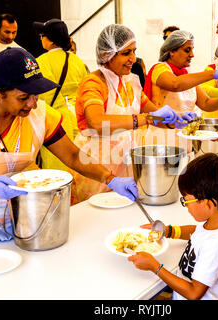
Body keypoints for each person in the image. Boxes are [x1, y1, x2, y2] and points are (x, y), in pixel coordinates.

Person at [0, 47, 138, 262]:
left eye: (36, 95)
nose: (32, 103)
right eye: (23, 97)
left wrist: (110, 179)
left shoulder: (38, 114)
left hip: (17, 218)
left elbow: (73, 156)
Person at [72, 24, 193, 205]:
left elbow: (153, 114)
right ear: (108, 54)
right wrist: (147, 119)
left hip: (125, 162)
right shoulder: (94, 83)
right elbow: (97, 123)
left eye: (134, 51)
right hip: (96, 165)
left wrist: (175, 120)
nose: (133, 59)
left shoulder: (130, 83)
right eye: (126, 53)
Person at [128, 153, 218, 300]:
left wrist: (154, 266)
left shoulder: (216, 246)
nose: (185, 207)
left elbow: (194, 293)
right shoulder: (212, 225)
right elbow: (195, 231)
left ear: (208, 203)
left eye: (186, 201)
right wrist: (169, 231)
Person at [144, 30, 218, 151]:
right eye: (187, 50)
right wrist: (212, 74)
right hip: (161, 139)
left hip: (184, 138)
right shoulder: (159, 69)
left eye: (192, 49)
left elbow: (206, 103)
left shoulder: (187, 75)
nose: (192, 55)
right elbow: (175, 84)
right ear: (172, 51)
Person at [32, 18, 88, 172]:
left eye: (42, 35)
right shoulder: (77, 60)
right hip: (78, 118)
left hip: (55, 121)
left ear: (51, 41)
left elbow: (40, 98)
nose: (41, 38)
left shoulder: (40, 62)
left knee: (57, 169)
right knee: (78, 164)